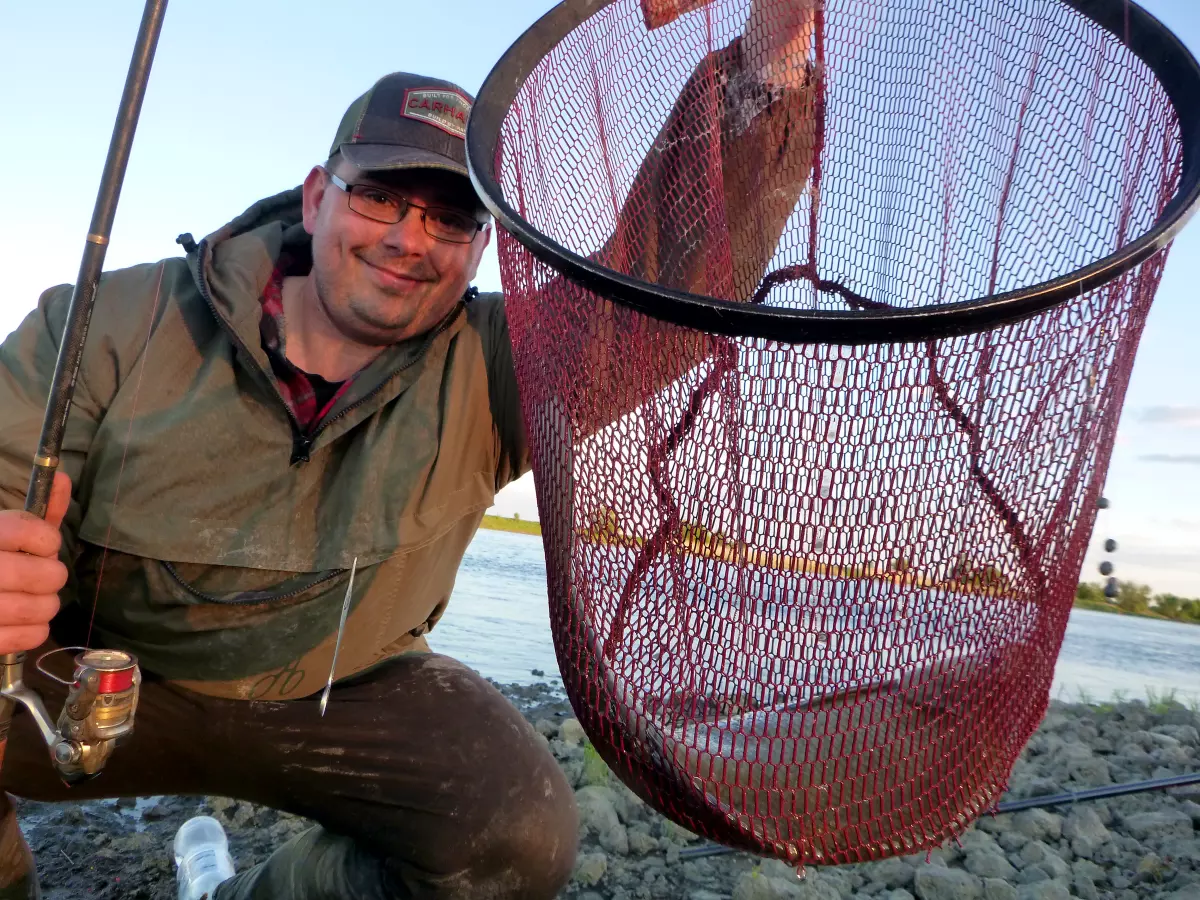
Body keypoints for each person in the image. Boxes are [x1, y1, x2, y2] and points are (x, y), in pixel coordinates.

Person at [0, 4, 821, 897]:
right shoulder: (106, 322)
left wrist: (770, 69)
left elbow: (663, 289)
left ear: (481, 245)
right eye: (381, 195)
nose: (407, 239)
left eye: (449, 218)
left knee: (515, 830)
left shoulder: (509, 364)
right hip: (106, 684)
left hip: (346, 693)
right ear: (319, 195)